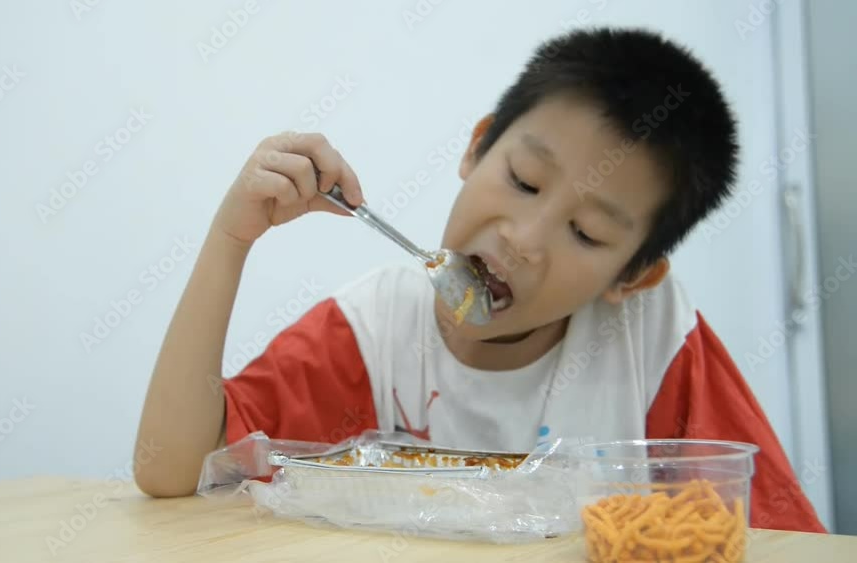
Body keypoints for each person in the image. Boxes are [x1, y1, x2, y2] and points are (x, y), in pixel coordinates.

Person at [133, 27, 826, 533]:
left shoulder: (652, 342)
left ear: (633, 276)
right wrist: (232, 238)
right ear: (476, 146)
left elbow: (779, 537)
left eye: (586, 233)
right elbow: (170, 470)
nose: (523, 240)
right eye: (523, 181)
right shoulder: (375, 331)